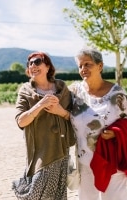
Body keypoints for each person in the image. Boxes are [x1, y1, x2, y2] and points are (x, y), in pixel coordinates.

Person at [69, 47, 127, 200]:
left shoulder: (117, 93)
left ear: (100, 66)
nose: (83, 69)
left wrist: (115, 132)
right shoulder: (75, 91)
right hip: (85, 160)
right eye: (80, 66)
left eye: (87, 64)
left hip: (111, 159)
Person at [12, 51, 75, 200]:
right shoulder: (25, 91)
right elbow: (21, 121)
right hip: (39, 151)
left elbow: (74, 117)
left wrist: (60, 111)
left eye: (37, 61)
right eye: (30, 63)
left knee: (57, 196)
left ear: (47, 66)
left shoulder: (62, 88)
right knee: (36, 193)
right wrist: (39, 105)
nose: (32, 65)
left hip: (60, 148)